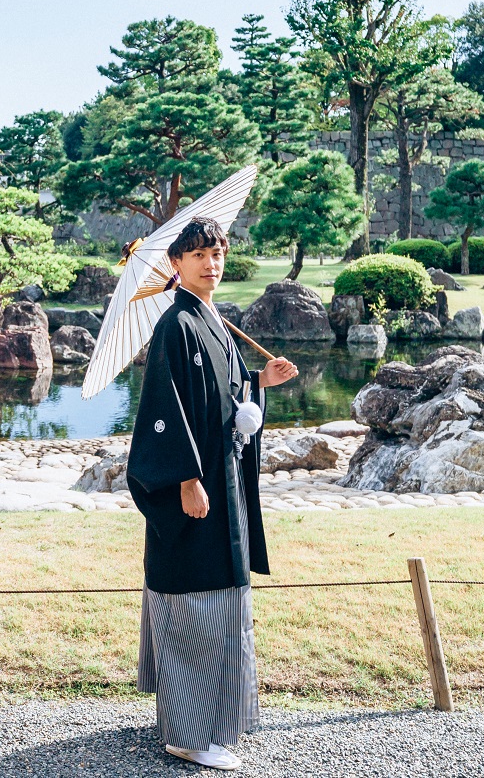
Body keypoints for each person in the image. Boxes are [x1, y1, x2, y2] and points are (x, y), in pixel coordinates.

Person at [127, 218, 298, 771]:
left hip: (223, 483)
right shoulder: (175, 325)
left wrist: (258, 383)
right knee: (193, 604)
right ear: (176, 264)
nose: (211, 263)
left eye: (217, 253)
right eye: (198, 254)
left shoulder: (215, 322)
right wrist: (185, 479)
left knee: (222, 601)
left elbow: (223, 395)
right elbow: (164, 408)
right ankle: (188, 734)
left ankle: (212, 721)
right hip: (196, 489)